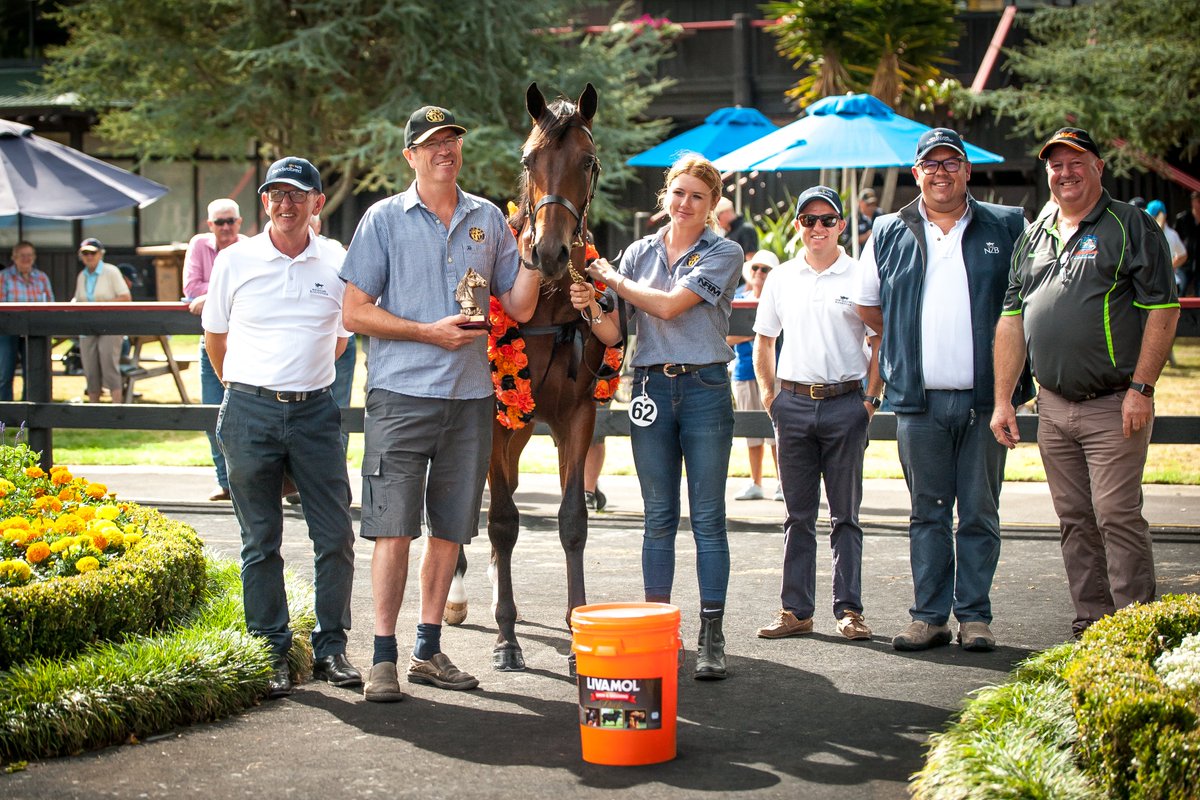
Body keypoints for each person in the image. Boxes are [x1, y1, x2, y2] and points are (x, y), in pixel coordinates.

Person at [340, 105, 540, 701]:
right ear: (411, 156)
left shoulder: (488, 219)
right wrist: (430, 331)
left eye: (452, 139)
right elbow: (354, 312)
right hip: (400, 396)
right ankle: (383, 657)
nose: (444, 149)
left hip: (471, 399)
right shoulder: (382, 219)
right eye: (431, 143)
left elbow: (522, 307)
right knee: (392, 531)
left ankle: (428, 651)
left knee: (449, 529)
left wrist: (531, 253)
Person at [991, 127, 1180, 638]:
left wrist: (1142, 389)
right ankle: (1092, 626)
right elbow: (1011, 319)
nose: (1065, 172)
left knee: (1117, 516)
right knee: (1074, 519)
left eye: (1076, 162)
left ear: (1098, 166)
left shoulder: (1131, 225)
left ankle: (1137, 631)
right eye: (1055, 164)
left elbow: (1163, 311)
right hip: (1051, 407)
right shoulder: (1035, 232)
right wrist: (1004, 400)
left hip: (1114, 402)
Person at [854, 128, 1029, 653]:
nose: (941, 172)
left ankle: (975, 617)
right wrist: (906, 339)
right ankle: (929, 617)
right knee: (927, 513)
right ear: (917, 173)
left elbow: (1028, 305)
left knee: (978, 512)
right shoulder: (888, 229)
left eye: (951, 163)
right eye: (931, 164)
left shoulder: (1007, 224)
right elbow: (866, 305)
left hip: (985, 401)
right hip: (917, 401)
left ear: (967, 170)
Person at [202, 157, 360, 698]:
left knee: (335, 535)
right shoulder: (235, 259)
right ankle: (270, 649)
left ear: (318, 202)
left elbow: (342, 341)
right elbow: (215, 340)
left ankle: (332, 648)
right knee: (260, 540)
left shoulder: (336, 260)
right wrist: (250, 391)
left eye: (297, 194)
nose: (285, 203)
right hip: (249, 412)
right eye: (275, 194)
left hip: (315, 414)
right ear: (264, 201)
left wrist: (298, 383)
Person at [583, 156, 743, 680]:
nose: (685, 203)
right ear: (665, 196)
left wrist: (610, 278)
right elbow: (613, 334)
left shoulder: (724, 251)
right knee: (657, 517)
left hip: (705, 388)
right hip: (650, 385)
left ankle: (711, 634)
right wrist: (592, 302)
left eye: (697, 195)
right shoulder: (639, 252)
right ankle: (659, 628)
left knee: (707, 518)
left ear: (712, 204)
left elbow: (672, 306)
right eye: (678, 193)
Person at [753, 186, 882, 642]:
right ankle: (796, 610)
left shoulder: (861, 275)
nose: (818, 228)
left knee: (846, 515)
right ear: (798, 227)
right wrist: (770, 398)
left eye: (827, 219)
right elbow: (763, 339)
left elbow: (878, 339)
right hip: (793, 405)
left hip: (847, 403)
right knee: (797, 515)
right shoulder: (782, 277)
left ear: (842, 225)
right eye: (809, 220)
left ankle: (849, 611)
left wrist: (869, 399)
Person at [183, 198, 248, 501]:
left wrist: (210, 296)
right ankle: (224, 481)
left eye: (230, 221)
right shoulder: (199, 246)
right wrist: (218, 294)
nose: (225, 227)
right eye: (219, 222)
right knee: (213, 411)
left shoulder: (249, 247)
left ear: (240, 222)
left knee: (249, 414)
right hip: (212, 339)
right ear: (210, 225)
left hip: (247, 342)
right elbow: (191, 288)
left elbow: (248, 290)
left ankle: (249, 481)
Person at [727, 249, 781, 502]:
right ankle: (755, 482)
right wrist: (759, 333)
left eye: (766, 269)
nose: (759, 273)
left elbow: (779, 334)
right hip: (743, 369)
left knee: (777, 431)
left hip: (775, 371)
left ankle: (783, 483)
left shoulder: (780, 299)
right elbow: (726, 336)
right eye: (756, 268)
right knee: (751, 430)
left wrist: (755, 333)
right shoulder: (738, 298)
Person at [72, 238, 131, 404]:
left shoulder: (111, 271)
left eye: (92, 252)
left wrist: (100, 306)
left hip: (110, 324)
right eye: (85, 253)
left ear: (100, 254)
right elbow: (78, 298)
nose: (89, 256)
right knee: (90, 367)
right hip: (87, 325)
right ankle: (93, 406)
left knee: (108, 363)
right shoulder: (81, 276)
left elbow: (125, 297)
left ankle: (116, 406)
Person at [0, 241, 54, 401]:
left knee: (33, 374)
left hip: (35, 331)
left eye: (29, 255)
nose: (26, 258)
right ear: (14, 258)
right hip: (7, 332)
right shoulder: (3, 277)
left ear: (34, 257)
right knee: (4, 374)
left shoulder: (42, 278)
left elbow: (50, 304)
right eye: (22, 255)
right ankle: (5, 416)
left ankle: (29, 413)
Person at [1146, 200, 1189, 291]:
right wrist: (1169, 267)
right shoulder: (1172, 234)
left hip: (1157, 284)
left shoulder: (1148, 233)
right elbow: (1183, 255)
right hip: (1171, 283)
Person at [1174, 191, 1200, 297]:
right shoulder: (1183, 218)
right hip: (1185, 261)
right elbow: (1176, 239)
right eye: (1197, 201)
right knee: (1180, 290)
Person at [715, 196, 757, 261]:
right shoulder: (728, 233)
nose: (717, 222)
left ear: (726, 213)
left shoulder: (746, 229)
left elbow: (750, 258)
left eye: (717, 217)